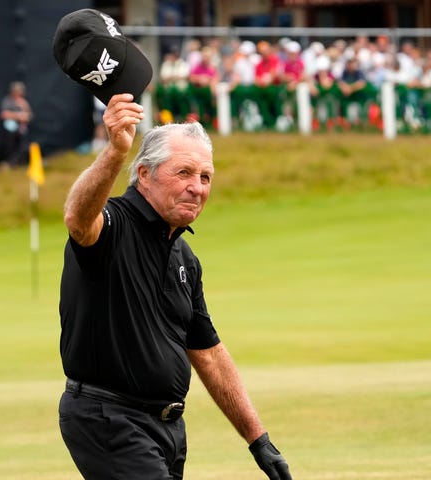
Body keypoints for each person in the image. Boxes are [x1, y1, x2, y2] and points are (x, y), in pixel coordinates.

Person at [58, 93, 293, 480]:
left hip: (166, 428)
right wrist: (117, 151)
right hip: (109, 417)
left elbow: (209, 354)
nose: (197, 187)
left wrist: (259, 441)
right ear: (144, 174)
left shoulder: (184, 257)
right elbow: (78, 218)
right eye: (183, 173)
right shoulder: (113, 225)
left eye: (205, 177)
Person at [0, 81, 32, 168]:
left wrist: (24, 107)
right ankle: (8, 163)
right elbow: (4, 114)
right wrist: (18, 116)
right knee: (10, 145)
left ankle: (15, 163)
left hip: (21, 129)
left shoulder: (23, 102)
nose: (19, 93)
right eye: (17, 91)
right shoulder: (7, 100)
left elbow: (28, 116)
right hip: (10, 129)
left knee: (23, 146)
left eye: (20, 91)